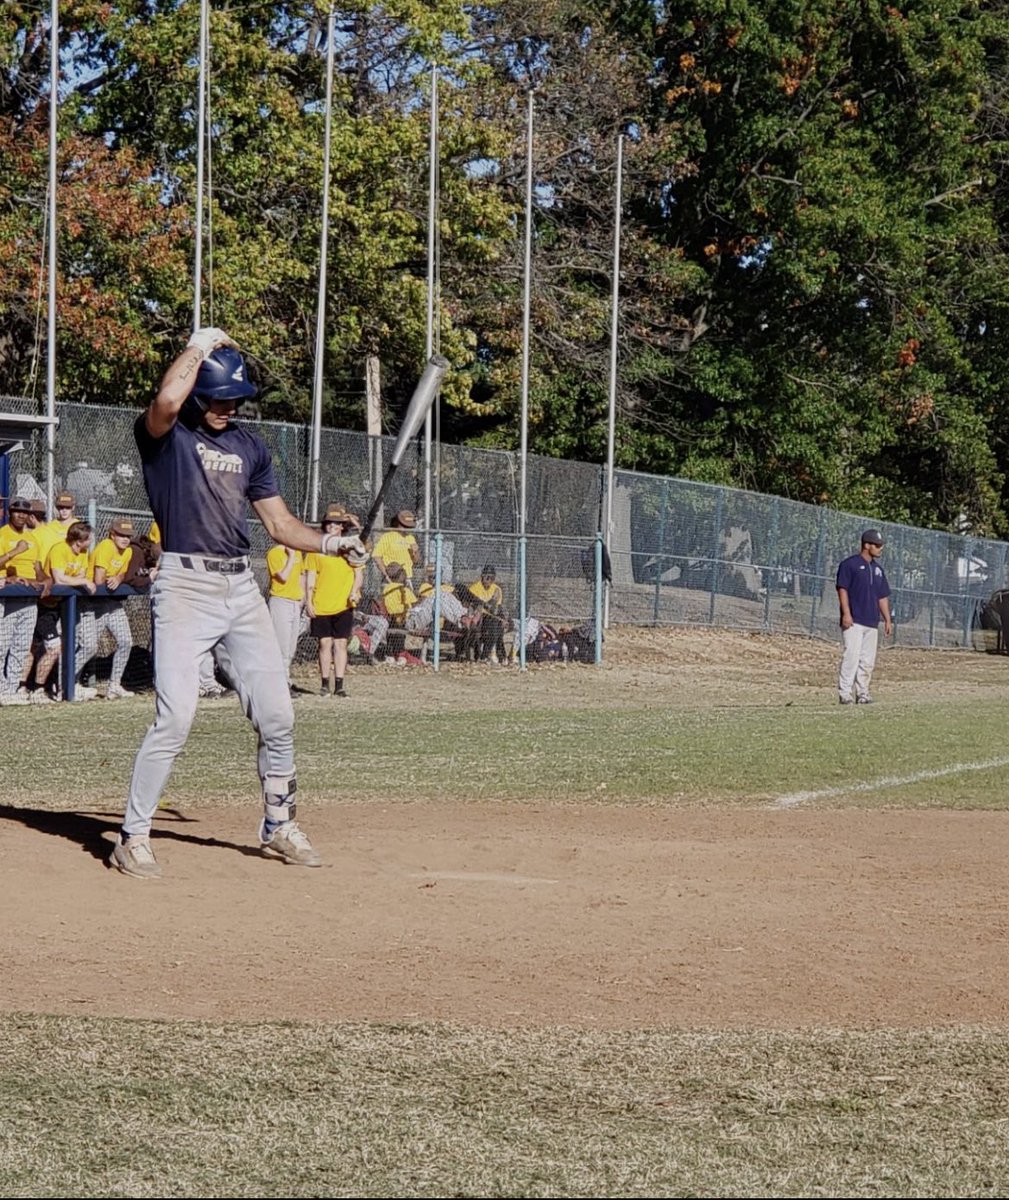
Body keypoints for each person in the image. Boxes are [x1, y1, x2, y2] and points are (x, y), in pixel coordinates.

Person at [109, 327, 367, 879]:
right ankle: (133, 836)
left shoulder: (251, 446)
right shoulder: (166, 436)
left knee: (278, 714)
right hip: (184, 587)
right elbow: (167, 399)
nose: (227, 408)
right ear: (199, 393)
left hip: (239, 588)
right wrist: (199, 345)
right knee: (175, 719)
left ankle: (278, 826)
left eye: (235, 400)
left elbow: (279, 524)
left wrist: (333, 543)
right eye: (219, 399)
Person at [304, 505, 362, 696]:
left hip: (343, 604)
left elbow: (359, 571)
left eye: (337, 524)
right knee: (324, 644)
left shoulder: (350, 548)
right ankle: (324, 684)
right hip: (321, 604)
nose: (332, 527)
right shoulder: (316, 549)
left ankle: (339, 685)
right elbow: (310, 578)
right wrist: (309, 602)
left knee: (341, 644)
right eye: (329, 523)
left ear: (342, 527)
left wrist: (355, 591)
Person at [41, 520, 99, 701]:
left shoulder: (82, 553)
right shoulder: (59, 549)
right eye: (89, 538)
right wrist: (81, 582)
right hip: (48, 605)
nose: (91, 542)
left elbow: (79, 576)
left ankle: (70, 682)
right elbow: (59, 579)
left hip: (69, 605)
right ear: (79, 540)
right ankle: (57, 687)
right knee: (55, 647)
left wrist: (78, 580)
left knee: (88, 645)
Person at [836, 528, 892, 705]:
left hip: (872, 621)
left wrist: (887, 619)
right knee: (851, 656)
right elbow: (842, 589)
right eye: (876, 545)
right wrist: (846, 613)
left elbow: (882, 596)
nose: (880, 548)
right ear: (867, 545)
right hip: (854, 620)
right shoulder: (850, 564)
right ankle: (845, 693)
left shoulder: (878, 570)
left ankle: (863, 693)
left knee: (867, 660)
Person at [0, 497, 45, 705]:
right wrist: (15, 552)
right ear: (10, 513)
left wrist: (44, 581)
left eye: (25, 513)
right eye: (17, 511)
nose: (21, 515)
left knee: (21, 645)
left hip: (29, 598)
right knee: (3, 645)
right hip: (8, 597)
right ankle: (1, 688)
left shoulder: (32, 538)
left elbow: (37, 568)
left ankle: (11, 689)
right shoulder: (2, 534)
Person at [89, 517, 137, 699]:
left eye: (128, 536)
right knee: (88, 646)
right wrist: (112, 579)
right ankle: (69, 684)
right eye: (121, 535)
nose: (125, 539)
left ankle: (114, 685)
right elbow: (99, 581)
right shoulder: (106, 546)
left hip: (112, 603)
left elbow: (122, 572)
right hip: (94, 603)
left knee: (126, 641)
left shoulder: (128, 551)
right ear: (112, 534)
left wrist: (118, 578)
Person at [265, 538, 307, 691]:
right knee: (281, 646)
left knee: (290, 647)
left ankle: (286, 679)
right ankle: (280, 683)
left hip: (295, 602)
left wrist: (302, 598)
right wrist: (290, 557)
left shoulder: (297, 552)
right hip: (280, 601)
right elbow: (282, 577)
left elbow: (302, 575)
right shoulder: (275, 553)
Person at [467, 564, 508, 664]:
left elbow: (496, 609)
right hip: (479, 618)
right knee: (496, 625)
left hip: (492, 617)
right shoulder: (474, 588)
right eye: (487, 577)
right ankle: (499, 655)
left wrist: (503, 618)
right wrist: (491, 602)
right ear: (482, 576)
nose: (490, 580)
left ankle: (485, 655)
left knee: (498, 624)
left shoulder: (497, 589)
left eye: (492, 578)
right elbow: (476, 608)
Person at [372, 508, 420, 585]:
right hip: (392, 578)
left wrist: (416, 552)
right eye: (404, 526)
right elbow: (377, 556)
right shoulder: (388, 536)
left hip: (407, 578)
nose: (406, 528)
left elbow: (416, 561)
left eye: (408, 526)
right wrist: (386, 576)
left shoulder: (410, 538)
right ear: (398, 523)